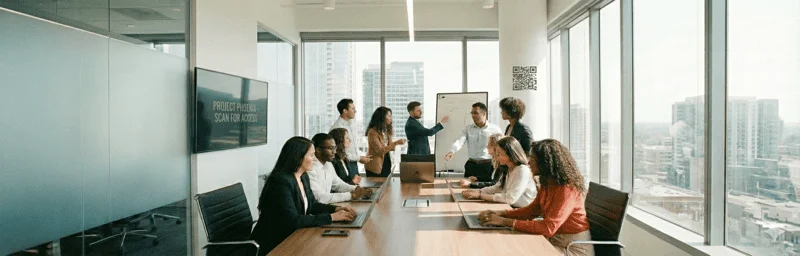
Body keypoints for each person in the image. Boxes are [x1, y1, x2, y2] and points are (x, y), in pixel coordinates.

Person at [476, 139, 594, 256]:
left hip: (572, 248)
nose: (528, 162)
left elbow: (548, 228)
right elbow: (531, 211)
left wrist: (504, 221)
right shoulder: (548, 183)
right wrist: (501, 213)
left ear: (545, 162)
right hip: (553, 240)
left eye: (532, 158)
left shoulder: (567, 189)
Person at [252, 137, 357, 255]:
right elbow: (292, 220)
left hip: (294, 236)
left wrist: (336, 209)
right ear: (298, 157)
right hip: (275, 243)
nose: (315, 159)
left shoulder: (303, 176)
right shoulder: (281, 182)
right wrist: (332, 217)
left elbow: (312, 204)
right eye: (312, 155)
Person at [461, 137, 537, 208]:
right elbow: (498, 187)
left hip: (522, 210)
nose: (496, 157)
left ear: (511, 153)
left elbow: (510, 198)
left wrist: (480, 195)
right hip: (510, 206)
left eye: (499, 153)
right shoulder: (507, 168)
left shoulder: (522, 170)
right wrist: (479, 191)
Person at [307, 133, 373, 204]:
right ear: (318, 150)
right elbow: (319, 198)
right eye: (331, 148)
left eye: (335, 148)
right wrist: (352, 195)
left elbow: (338, 185)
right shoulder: (310, 168)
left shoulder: (328, 164)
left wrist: (357, 189)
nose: (334, 152)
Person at [444, 102, 503, 181]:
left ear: (484, 114)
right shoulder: (468, 129)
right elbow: (459, 141)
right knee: (467, 186)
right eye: (472, 113)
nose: (473, 115)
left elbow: (502, 146)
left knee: (487, 186)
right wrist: (452, 151)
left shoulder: (495, 129)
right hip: (471, 165)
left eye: (476, 113)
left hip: (488, 166)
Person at [330, 99, 372, 176]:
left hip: (353, 163)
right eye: (353, 109)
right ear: (345, 111)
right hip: (345, 163)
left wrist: (359, 158)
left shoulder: (351, 124)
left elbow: (353, 146)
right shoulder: (337, 128)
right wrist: (359, 158)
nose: (355, 111)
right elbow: (339, 152)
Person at [365, 107, 406, 177]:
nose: (391, 118)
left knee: (387, 183)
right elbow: (380, 151)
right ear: (382, 117)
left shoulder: (386, 130)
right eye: (389, 116)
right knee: (376, 184)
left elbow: (391, 148)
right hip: (375, 165)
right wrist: (396, 143)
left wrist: (395, 143)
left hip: (386, 162)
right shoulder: (372, 132)